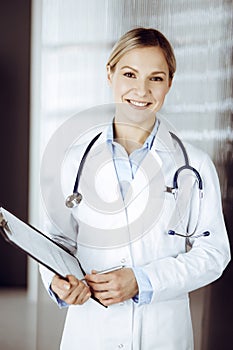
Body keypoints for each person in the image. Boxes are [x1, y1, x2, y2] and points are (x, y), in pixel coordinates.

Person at [40, 27, 230, 350]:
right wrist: (57, 281)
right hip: (90, 331)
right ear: (109, 74)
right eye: (130, 74)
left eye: (156, 78)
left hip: (162, 332)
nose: (141, 90)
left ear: (169, 83)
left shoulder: (193, 166)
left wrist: (142, 281)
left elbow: (214, 254)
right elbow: (56, 242)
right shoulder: (74, 162)